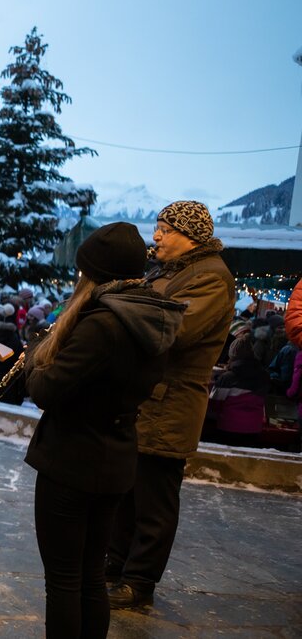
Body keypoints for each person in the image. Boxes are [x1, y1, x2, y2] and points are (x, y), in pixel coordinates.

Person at [22, 223, 185, 637]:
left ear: (97, 272)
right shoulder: (151, 316)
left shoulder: (101, 324)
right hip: (115, 457)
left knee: (63, 580)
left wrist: (33, 356)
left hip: (72, 460)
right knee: (91, 575)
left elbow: (45, 389)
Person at [107, 200, 235, 609]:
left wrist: (120, 308)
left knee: (154, 500)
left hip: (171, 404)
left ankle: (139, 581)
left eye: (165, 228)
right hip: (147, 400)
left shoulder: (212, 277)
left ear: (190, 234)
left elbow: (173, 330)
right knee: (127, 491)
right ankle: (116, 565)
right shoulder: (170, 270)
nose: (156, 236)